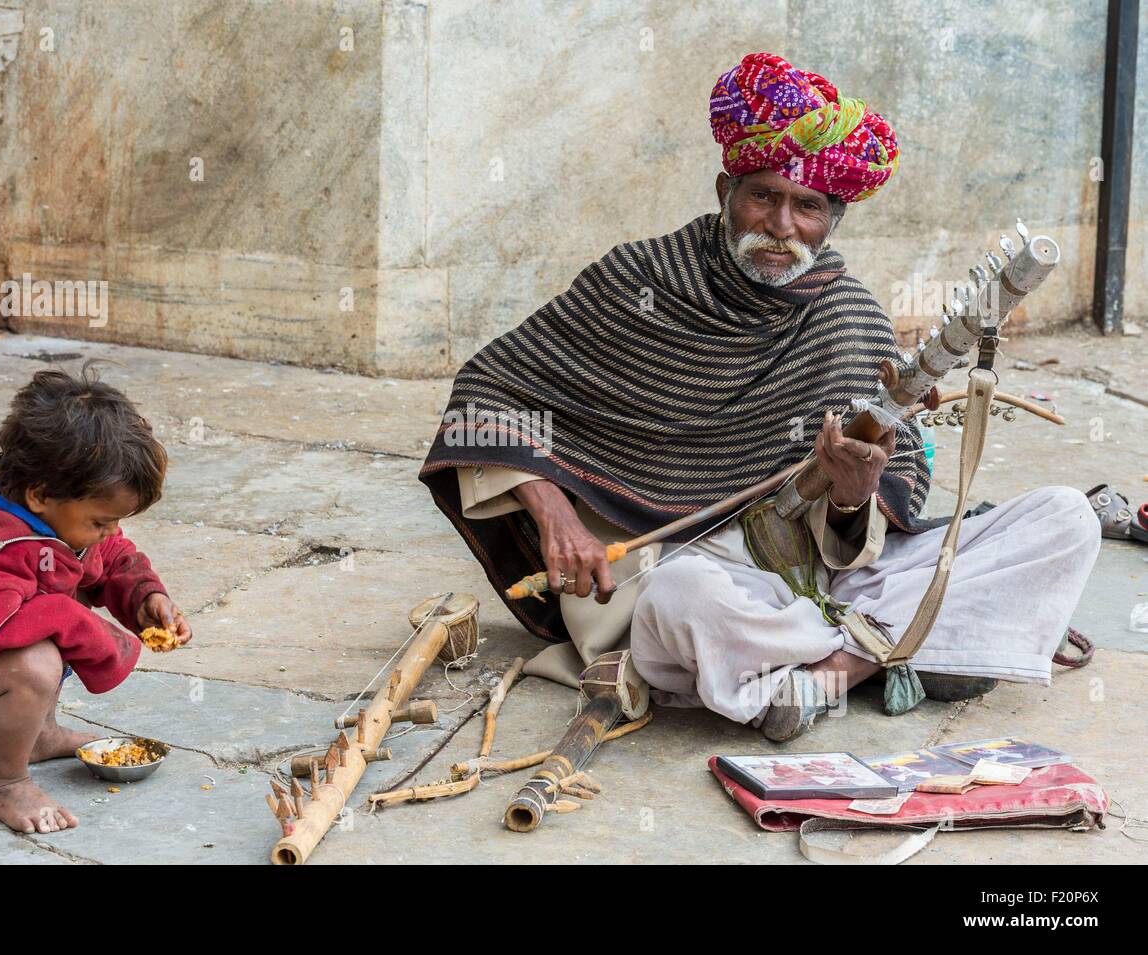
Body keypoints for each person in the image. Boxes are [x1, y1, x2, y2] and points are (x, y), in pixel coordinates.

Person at [419, 52, 1099, 741]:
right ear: (725, 189)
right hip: (693, 571)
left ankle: (833, 672)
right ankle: (904, 640)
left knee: (1066, 519)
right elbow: (487, 392)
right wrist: (556, 513)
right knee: (682, 601)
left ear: (834, 218)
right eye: (763, 196)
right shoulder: (640, 280)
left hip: (823, 580)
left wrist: (850, 497)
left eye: (807, 206)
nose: (781, 225)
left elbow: (869, 530)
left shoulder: (849, 316)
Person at [0, 362, 192, 832]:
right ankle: (2, 783)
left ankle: (37, 735)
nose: (109, 531)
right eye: (100, 520)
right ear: (41, 494)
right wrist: (84, 627)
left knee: (64, 603)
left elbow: (112, 556)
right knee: (36, 657)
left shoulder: (57, 522)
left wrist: (145, 596)